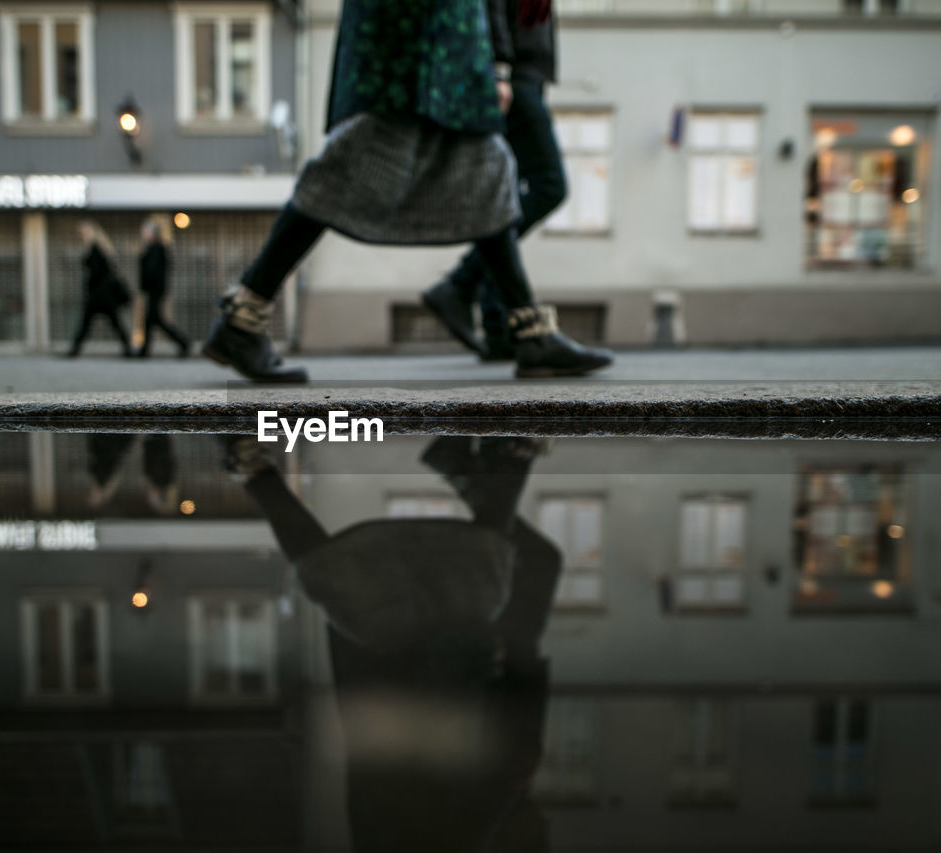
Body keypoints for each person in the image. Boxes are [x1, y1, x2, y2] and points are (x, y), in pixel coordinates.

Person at [202, 0, 612, 382]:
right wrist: (499, 63)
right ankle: (242, 318)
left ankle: (528, 330)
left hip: (449, 29)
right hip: (410, 27)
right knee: (353, 162)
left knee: (485, 166)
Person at [221, 434, 558, 850]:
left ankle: (512, 454)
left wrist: (508, 686)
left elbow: (507, 771)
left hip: (429, 672)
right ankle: (254, 471)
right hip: (394, 670)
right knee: (342, 579)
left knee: (477, 575)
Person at [423, 0, 567, 361]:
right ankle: (461, 283)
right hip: (515, 77)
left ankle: (497, 324)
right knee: (549, 186)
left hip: (524, 74)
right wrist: (500, 68)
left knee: (505, 196)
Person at [68, 220, 132, 357]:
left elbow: (97, 272)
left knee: (87, 324)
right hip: (103, 295)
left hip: (99, 295)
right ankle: (128, 348)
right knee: (112, 323)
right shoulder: (100, 248)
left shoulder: (95, 249)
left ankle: (74, 350)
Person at [137, 220, 190, 358]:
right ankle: (145, 350)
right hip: (153, 290)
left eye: (145, 231)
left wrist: (146, 286)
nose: (143, 234)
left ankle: (182, 342)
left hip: (155, 290)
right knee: (154, 320)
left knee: (154, 320)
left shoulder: (157, 248)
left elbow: (153, 271)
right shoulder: (152, 248)